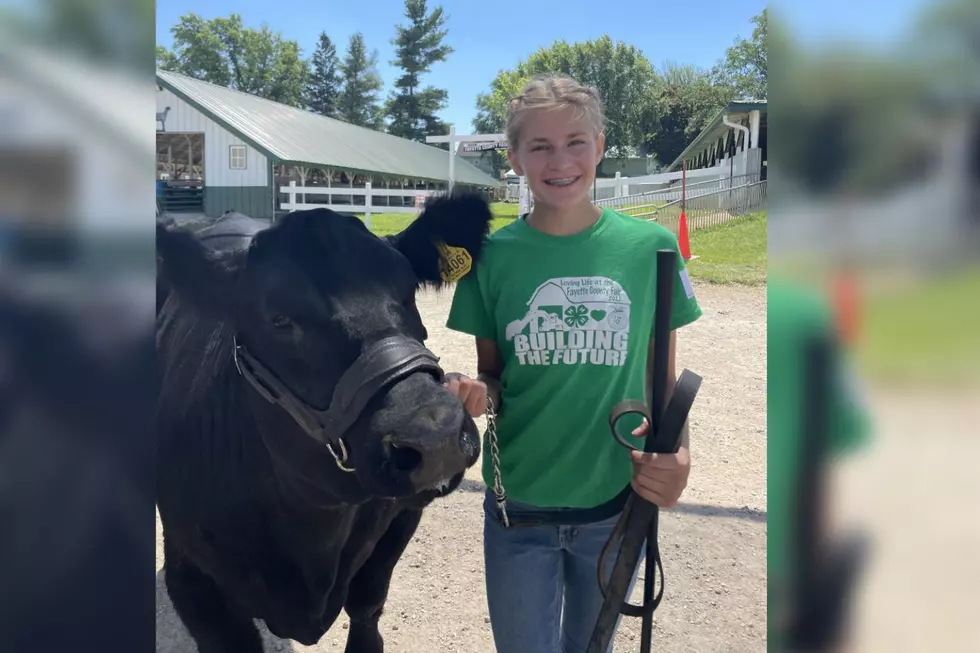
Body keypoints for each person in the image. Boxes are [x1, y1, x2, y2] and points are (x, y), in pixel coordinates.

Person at [442, 74, 704, 653]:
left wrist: (680, 454)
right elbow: (494, 377)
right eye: (540, 146)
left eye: (575, 142)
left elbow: (663, 380)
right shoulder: (490, 260)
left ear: (601, 145)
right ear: (514, 158)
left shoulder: (652, 249)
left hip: (614, 504)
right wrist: (475, 391)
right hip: (519, 511)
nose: (560, 160)